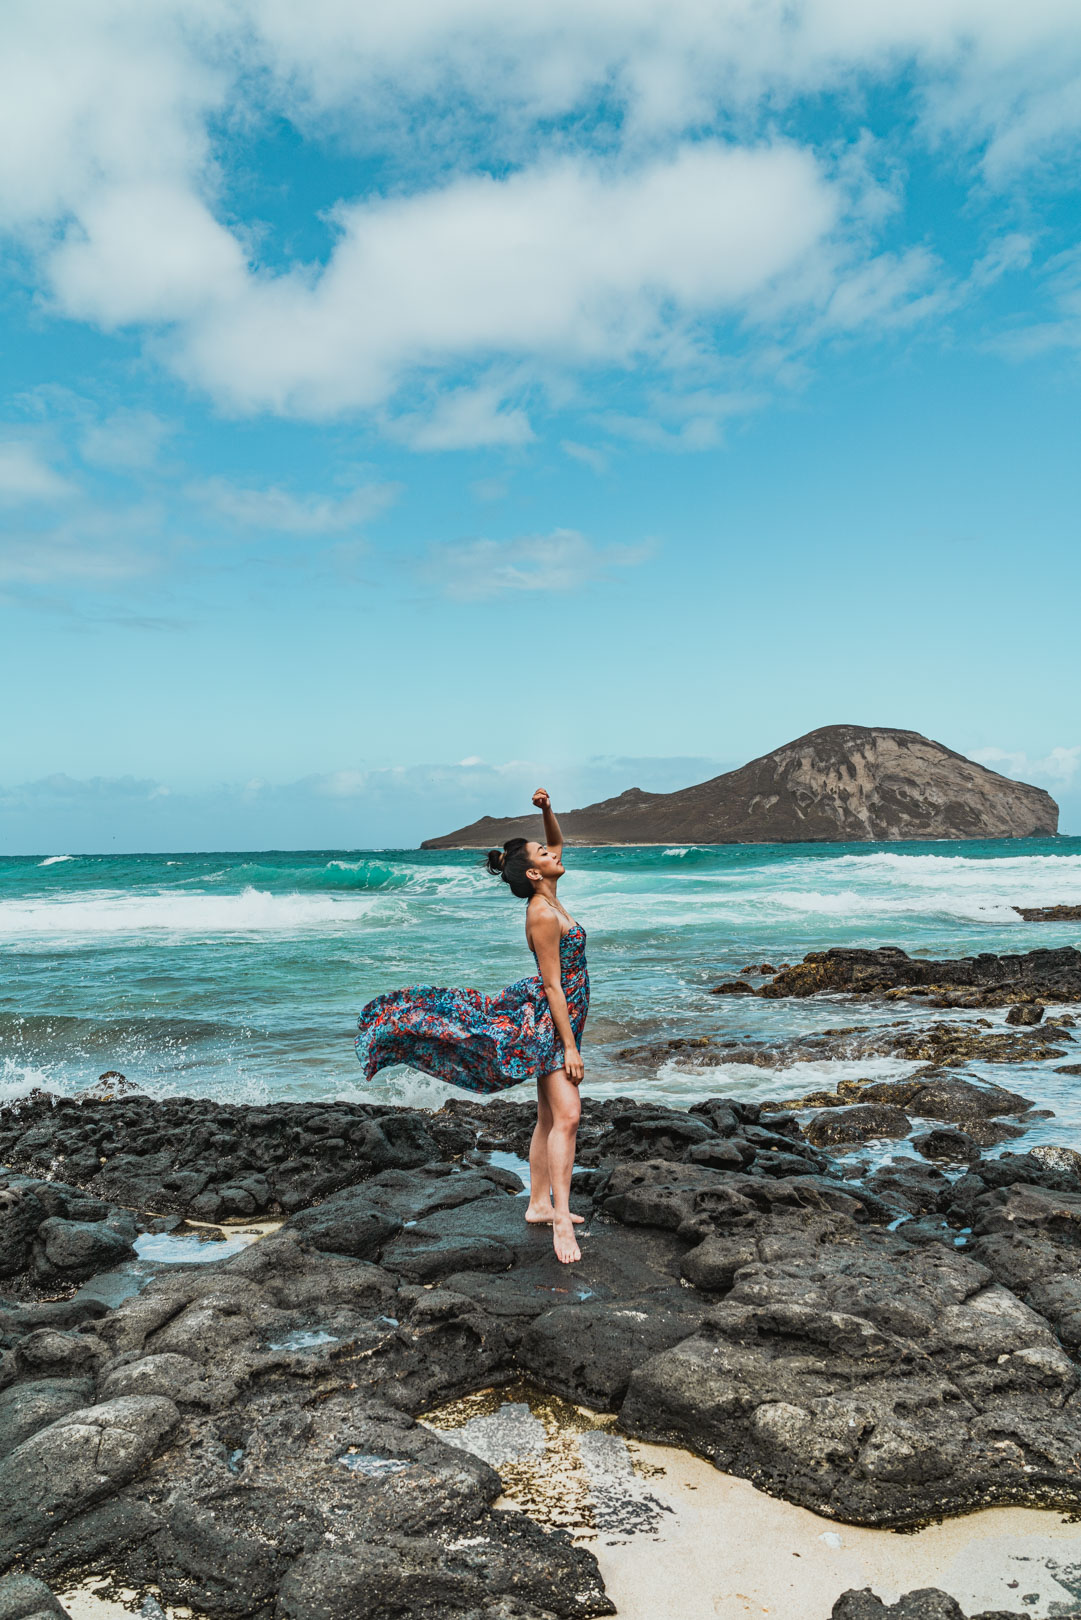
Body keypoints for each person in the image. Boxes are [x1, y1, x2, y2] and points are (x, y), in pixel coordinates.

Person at [355, 789, 588, 1263]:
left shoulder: (551, 891)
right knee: (567, 1116)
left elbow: (558, 844)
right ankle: (561, 1218)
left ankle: (538, 1204)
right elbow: (551, 987)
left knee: (548, 1116)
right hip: (547, 1022)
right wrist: (569, 1047)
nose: (554, 853)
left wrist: (545, 813)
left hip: (563, 1017)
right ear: (532, 872)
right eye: (544, 854)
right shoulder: (542, 913)